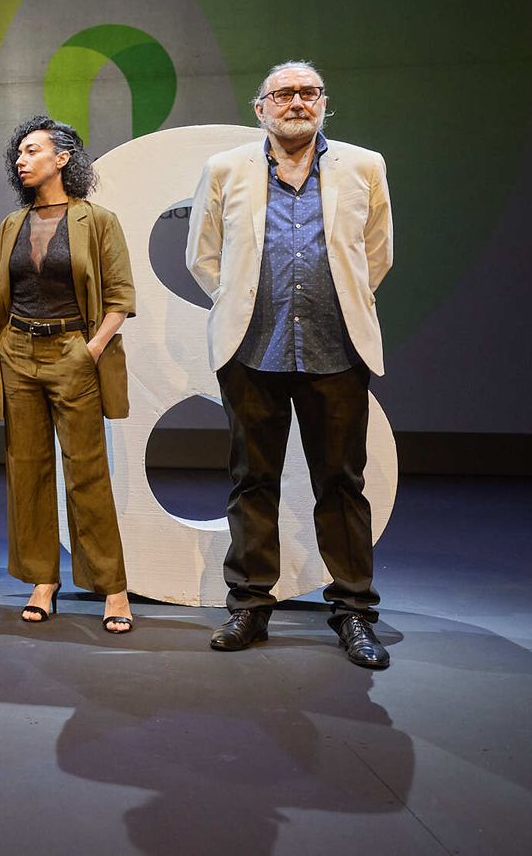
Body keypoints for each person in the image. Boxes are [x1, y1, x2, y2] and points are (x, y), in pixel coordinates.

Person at [185, 60, 395, 669]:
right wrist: (240, 303)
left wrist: (340, 302)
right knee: (252, 481)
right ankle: (250, 605)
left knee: (342, 483)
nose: (297, 102)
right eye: (283, 94)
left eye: (308, 92)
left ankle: (353, 612)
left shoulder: (364, 165)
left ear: (323, 102)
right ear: (261, 108)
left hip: (337, 349)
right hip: (252, 350)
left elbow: (377, 253)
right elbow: (203, 255)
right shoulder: (225, 168)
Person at [0, 116, 137, 631]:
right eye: (18, 153)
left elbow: (120, 298)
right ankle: (43, 579)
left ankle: (112, 586)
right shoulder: (12, 224)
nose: (21, 160)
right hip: (17, 351)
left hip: (72, 352)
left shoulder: (98, 219)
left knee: (87, 472)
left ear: (62, 159)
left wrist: (90, 351)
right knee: (27, 471)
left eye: (32, 150)